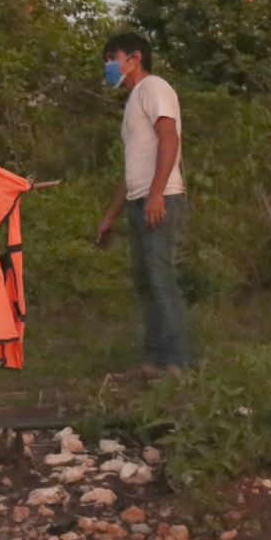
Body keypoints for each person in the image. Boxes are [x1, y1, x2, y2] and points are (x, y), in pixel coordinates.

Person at [94, 31, 192, 378]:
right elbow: (131, 169)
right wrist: (110, 217)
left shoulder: (154, 89)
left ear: (134, 58)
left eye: (113, 57)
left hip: (159, 199)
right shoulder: (133, 102)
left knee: (162, 282)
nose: (109, 65)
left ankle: (178, 363)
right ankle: (152, 363)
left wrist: (156, 194)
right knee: (147, 284)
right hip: (139, 201)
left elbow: (170, 137)